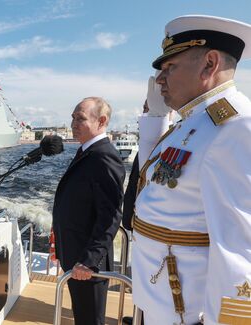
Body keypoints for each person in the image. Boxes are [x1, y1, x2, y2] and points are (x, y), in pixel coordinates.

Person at [133, 15, 251, 325]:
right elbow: (153, 183)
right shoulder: (196, 122)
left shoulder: (236, 129)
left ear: (210, 63)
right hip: (163, 304)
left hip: (188, 315)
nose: (159, 79)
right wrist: (155, 119)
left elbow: (241, 251)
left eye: (169, 68)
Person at [52, 97, 125, 325]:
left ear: (101, 121)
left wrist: (89, 260)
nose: (73, 123)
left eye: (80, 118)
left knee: (90, 320)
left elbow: (110, 215)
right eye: (73, 117)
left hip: (87, 264)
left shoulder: (104, 157)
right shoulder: (88, 151)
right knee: (82, 316)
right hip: (75, 256)